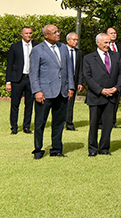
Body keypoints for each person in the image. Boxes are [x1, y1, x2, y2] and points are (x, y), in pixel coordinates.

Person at [29, 24, 74, 159]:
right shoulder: (37, 50)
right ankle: (38, 149)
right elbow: (33, 73)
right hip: (45, 92)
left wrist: (70, 87)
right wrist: (37, 91)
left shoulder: (64, 48)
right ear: (46, 35)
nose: (57, 34)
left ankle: (56, 149)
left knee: (59, 122)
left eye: (58, 31)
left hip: (62, 91)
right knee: (40, 123)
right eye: (54, 32)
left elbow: (69, 70)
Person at [83, 32, 121, 156]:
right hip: (96, 96)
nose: (108, 45)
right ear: (98, 42)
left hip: (112, 95)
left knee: (108, 124)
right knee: (94, 124)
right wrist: (101, 90)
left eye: (109, 43)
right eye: (105, 42)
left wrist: (116, 88)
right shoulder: (89, 58)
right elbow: (87, 77)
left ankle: (104, 148)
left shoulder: (116, 56)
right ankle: (93, 148)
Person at [6, 26, 38, 135]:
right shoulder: (15, 47)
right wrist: (8, 81)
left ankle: (27, 127)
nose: (28, 35)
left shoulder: (37, 46)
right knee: (15, 104)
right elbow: (9, 65)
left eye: (30, 33)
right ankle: (14, 127)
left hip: (31, 79)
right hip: (17, 80)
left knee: (29, 105)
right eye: (26, 33)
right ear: (22, 34)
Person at [64, 32, 84, 131]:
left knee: (70, 103)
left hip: (74, 81)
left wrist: (80, 82)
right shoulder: (62, 51)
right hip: (63, 81)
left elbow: (80, 69)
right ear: (68, 40)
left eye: (77, 40)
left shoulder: (78, 53)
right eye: (73, 40)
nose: (76, 42)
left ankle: (69, 123)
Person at [107, 27, 121, 129]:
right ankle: (102, 122)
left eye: (115, 33)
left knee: (116, 100)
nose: (114, 35)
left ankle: (113, 122)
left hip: (118, 78)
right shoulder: (104, 46)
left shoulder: (120, 48)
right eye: (111, 33)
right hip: (107, 77)